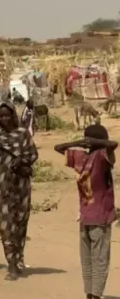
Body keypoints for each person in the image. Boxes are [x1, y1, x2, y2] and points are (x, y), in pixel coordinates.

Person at [54, 125, 116, 299]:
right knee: (99, 259)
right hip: (100, 216)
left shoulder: (81, 157)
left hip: (85, 215)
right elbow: (113, 145)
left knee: (87, 258)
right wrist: (89, 141)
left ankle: (90, 293)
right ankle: (95, 294)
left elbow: (59, 148)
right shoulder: (103, 157)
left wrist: (81, 142)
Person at [0, 101, 38, 281]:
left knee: (20, 221)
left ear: (13, 115)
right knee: (5, 223)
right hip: (0, 183)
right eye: (0, 116)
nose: (4, 119)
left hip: (20, 184)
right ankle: (11, 262)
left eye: (7, 115)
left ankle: (19, 258)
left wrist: (22, 162)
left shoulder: (22, 134)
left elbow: (32, 154)